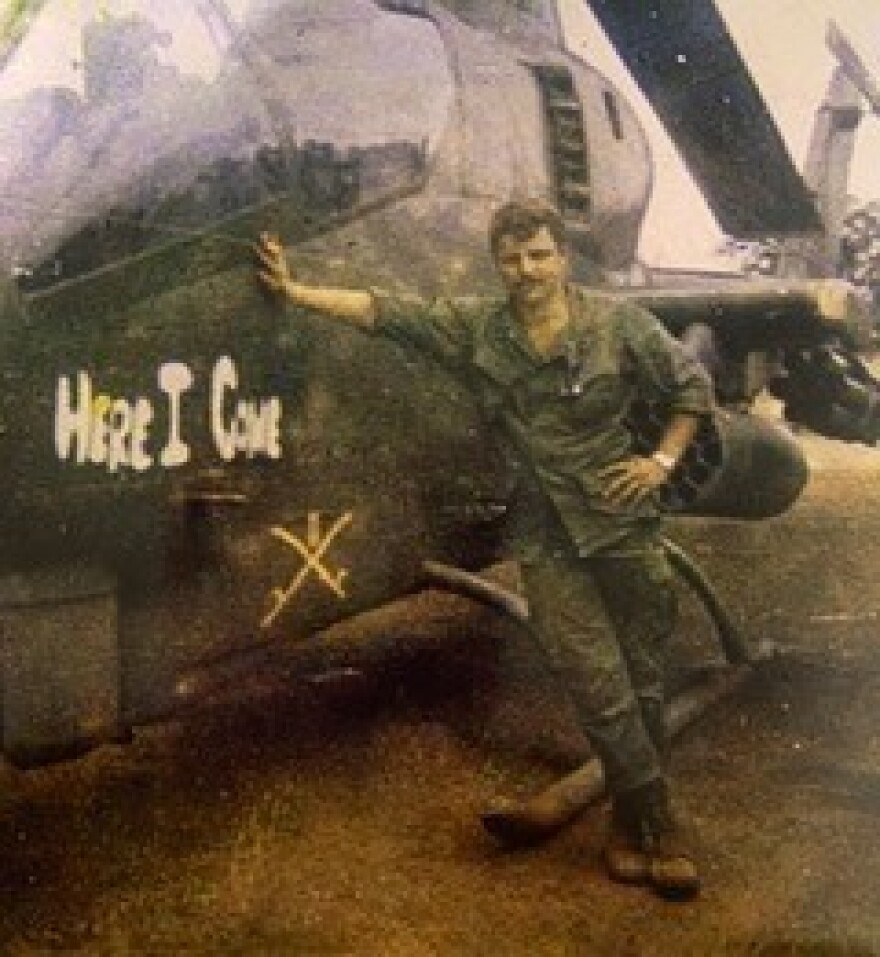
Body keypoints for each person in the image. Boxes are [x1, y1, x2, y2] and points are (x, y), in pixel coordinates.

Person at [256, 199, 713, 900]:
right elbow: (386, 311)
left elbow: (690, 388)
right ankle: (664, 820)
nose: (526, 270)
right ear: (498, 263)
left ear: (561, 256)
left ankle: (628, 820)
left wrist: (659, 460)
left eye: (538, 254)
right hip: (547, 530)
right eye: (511, 258)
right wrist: (294, 291)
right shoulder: (480, 330)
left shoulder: (617, 323)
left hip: (623, 522)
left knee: (642, 677)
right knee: (596, 681)